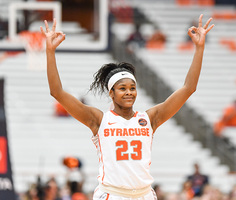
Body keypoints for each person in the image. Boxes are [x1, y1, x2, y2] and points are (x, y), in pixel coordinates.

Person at [40, 14, 214, 200]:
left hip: (145, 195)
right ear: (111, 93)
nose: (129, 92)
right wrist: (50, 51)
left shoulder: (149, 119)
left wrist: (199, 48)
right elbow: (57, 92)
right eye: (122, 88)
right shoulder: (99, 120)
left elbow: (189, 88)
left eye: (132, 88)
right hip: (113, 195)